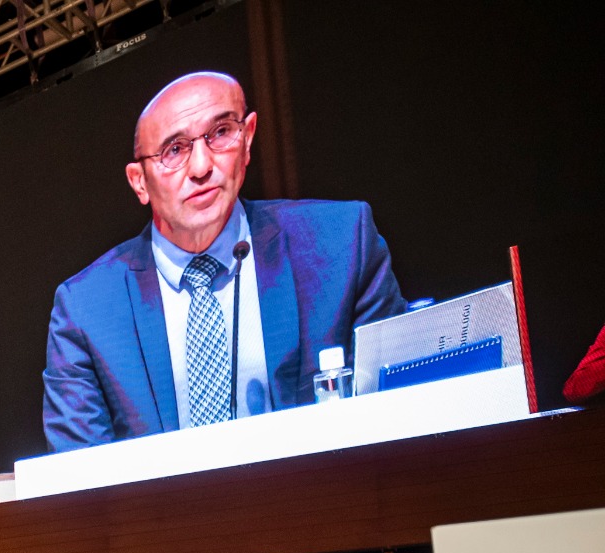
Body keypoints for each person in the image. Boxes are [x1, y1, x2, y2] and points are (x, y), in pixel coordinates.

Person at [42, 71, 407, 452]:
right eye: (174, 150)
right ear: (139, 182)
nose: (201, 167)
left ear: (247, 139)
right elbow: (78, 471)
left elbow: (401, 409)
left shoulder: (340, 244)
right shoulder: (86, 309)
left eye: (220, 133)